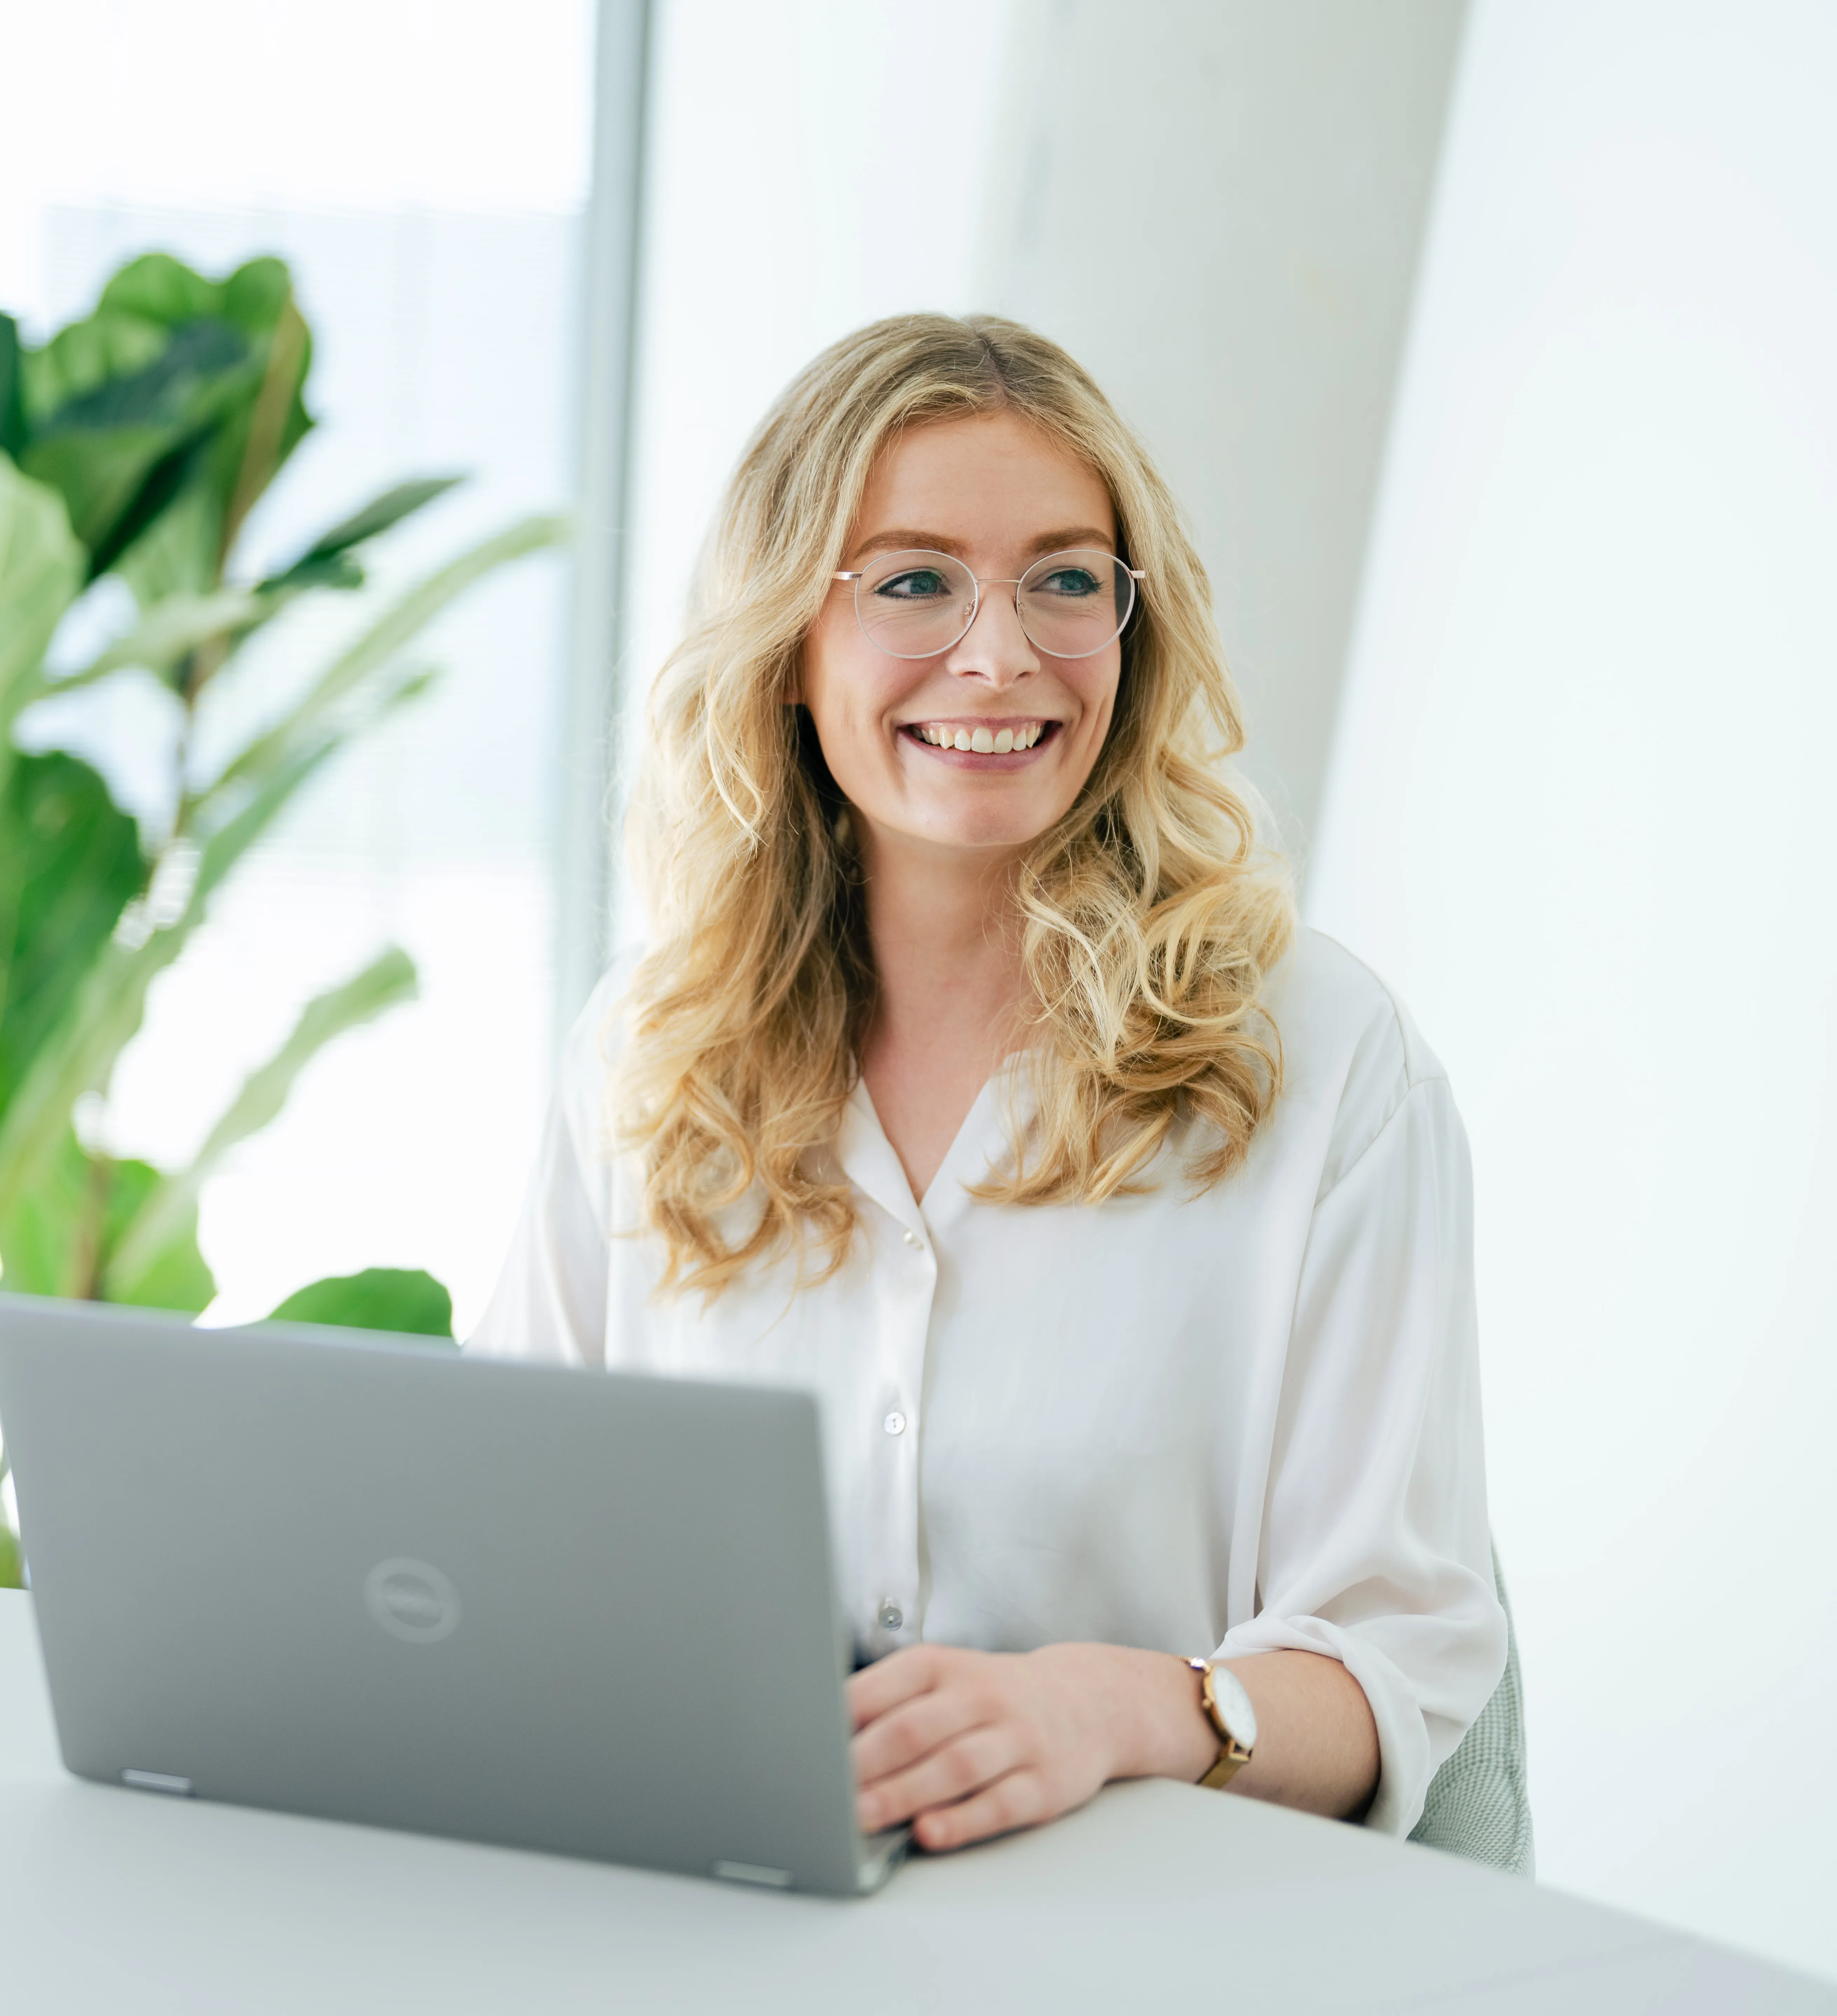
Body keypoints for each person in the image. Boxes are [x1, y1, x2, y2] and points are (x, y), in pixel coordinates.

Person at [471, 313, 1504, 1853]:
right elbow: (496, 1531)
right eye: (913, 581)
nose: (1001, 652)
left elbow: (1406, 1670)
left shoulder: (1325, 1066)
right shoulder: (650, 1052)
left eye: (1067, 580)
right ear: (787, 650)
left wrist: (1115, 1708)